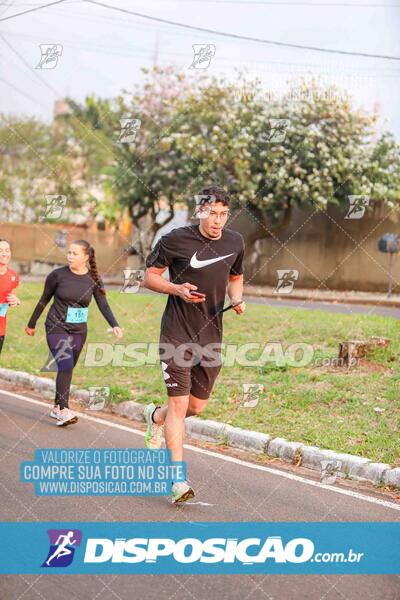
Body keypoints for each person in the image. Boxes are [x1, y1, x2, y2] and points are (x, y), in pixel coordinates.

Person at [143, 186, 245, 503]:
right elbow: (149, 276)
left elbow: (236, 276)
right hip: (176, 332)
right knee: (179, 404)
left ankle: (155, 417)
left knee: (195, 407)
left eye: (223, 214)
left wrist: (237, 298)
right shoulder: (175, 240)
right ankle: (178, 482)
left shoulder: (235, 242)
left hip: (211, 336)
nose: (218, 221)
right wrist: (176, 288)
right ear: (200, 212)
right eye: (212, 213)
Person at [25, 240, 123, 426]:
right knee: (66, 364)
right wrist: (31, 324)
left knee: (66, 367)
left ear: (86, 257)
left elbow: (103, 304)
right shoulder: (57, 275)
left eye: (74, 253)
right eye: (69, 253)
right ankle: (64, 410)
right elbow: (43, 300)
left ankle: (56, 407)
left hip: (79, 330)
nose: (70, 256)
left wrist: (115, 324)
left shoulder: (93, 279)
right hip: (56, 326)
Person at [0, 239, 21, 356]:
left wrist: (16, 301)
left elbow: (12, 298)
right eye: (0, 251)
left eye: (7, 250)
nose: (4, 254)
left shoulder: (13, 275)